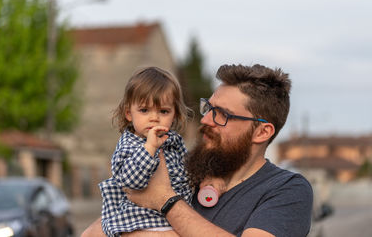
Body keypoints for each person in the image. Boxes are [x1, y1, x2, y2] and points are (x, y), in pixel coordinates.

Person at [82, 63, 313, 237]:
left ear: (262, 132)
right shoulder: (187, 168)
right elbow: (93, 233)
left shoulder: (287, 190)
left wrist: (165, 199)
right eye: (208, 108)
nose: (206, 120)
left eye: (222, 114)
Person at [98, 66, 193, 236]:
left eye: (164, 111)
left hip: (175, 218)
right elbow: (130, 181)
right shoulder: (130, 144)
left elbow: (187, 171)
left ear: (176, 115)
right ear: (129, 113)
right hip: (141, 221)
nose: (154, 118)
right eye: (144, 110)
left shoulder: (173, 140)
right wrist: (149, 148)